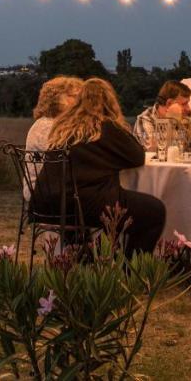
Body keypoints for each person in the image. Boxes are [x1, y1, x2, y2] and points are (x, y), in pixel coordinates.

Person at [37, 78, 166, 255]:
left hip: (47, 203)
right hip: (83, 205)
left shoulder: (62, 125)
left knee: (117, 204)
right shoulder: (106, 126)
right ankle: (129, 269)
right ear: (110, 102)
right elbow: (137, 157)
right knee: (154, 211)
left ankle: (90, 258)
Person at [22, 77, 84, 197]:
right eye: (73, 95)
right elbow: (70, 158)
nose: (80, 101)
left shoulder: (51, 123)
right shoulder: (47, 126)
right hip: (45, 193)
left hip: (51, 188)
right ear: (56, 99)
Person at [133, 81, 191, 148]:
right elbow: (153, 152)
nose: (188, 108)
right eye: (184, 104)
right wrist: (171, 120)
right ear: (169, 103)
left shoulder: (188, 115)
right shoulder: (146, 119)